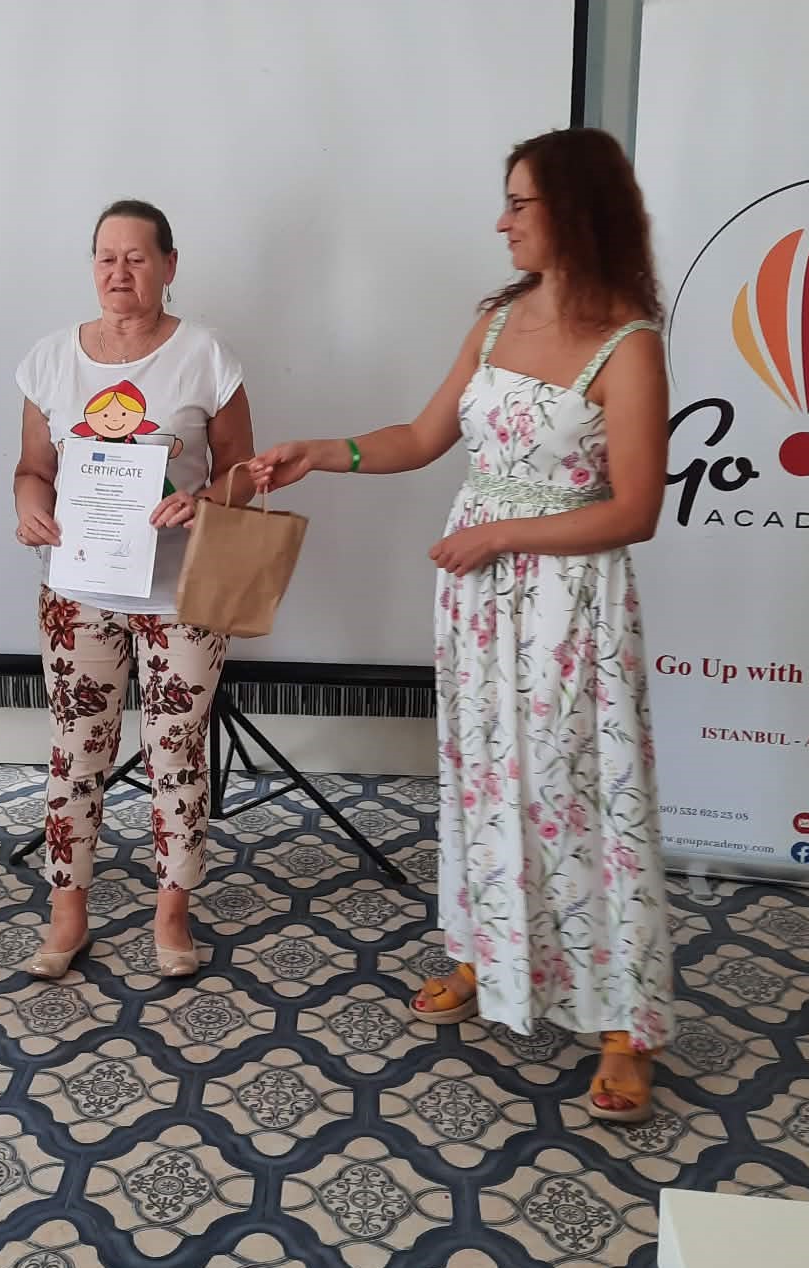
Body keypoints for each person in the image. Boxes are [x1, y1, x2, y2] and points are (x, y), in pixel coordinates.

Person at [251, 128, 674, 1123]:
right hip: (480, 600)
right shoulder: (496, 321)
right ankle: (490, 952)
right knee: (484, 777)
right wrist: (322, 451)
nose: (501, 221)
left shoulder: (629, 343)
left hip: (569, 603)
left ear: (574, 209)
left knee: (580, 792)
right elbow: (421, 435)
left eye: (519, 203)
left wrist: (503, 534)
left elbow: (637, 510)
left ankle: (626, 1024)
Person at [13, 200, 255, 981]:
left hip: (182, 594)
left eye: (137, 257)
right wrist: (28, 506)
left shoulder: (206, 356)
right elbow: (33, 469)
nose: (119, 272)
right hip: (78, 592)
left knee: (176, 752)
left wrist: (206, 500)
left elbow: (244, 474)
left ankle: (171, 915)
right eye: (106, 257)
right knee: (76, 750)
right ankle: (67, 914)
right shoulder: (49, 361)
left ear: (169, 265)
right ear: (92, 266)